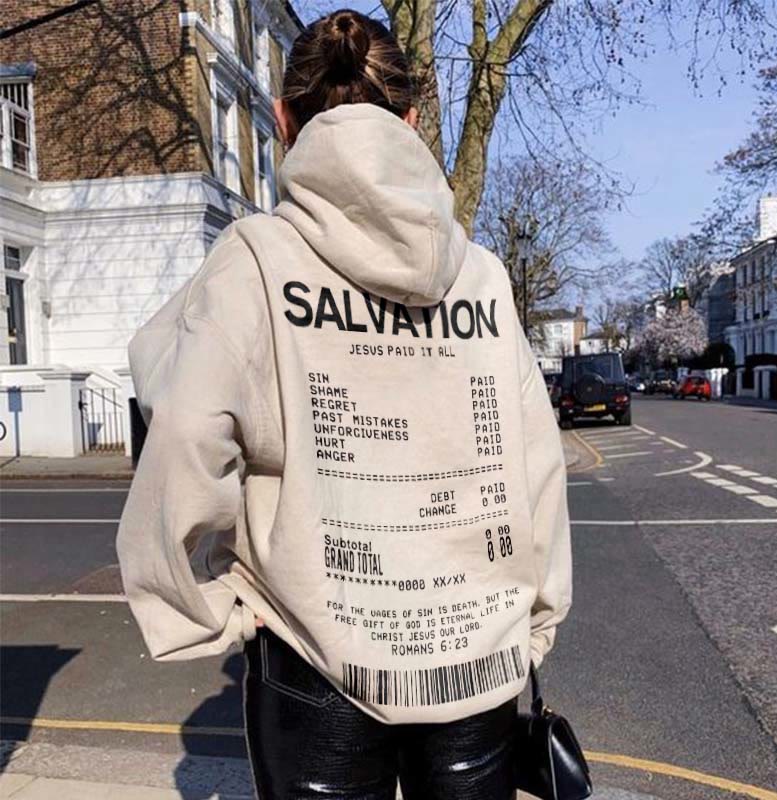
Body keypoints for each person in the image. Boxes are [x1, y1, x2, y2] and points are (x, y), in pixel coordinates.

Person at [115, 7, 572, 799]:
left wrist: (206, 609)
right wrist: (534, 623)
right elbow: (536, 465)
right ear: (412, 123)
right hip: (476, 655)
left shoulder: (257, 262)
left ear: (283, 120)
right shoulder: (482, 278)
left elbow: (184, 431)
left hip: (315, 659)